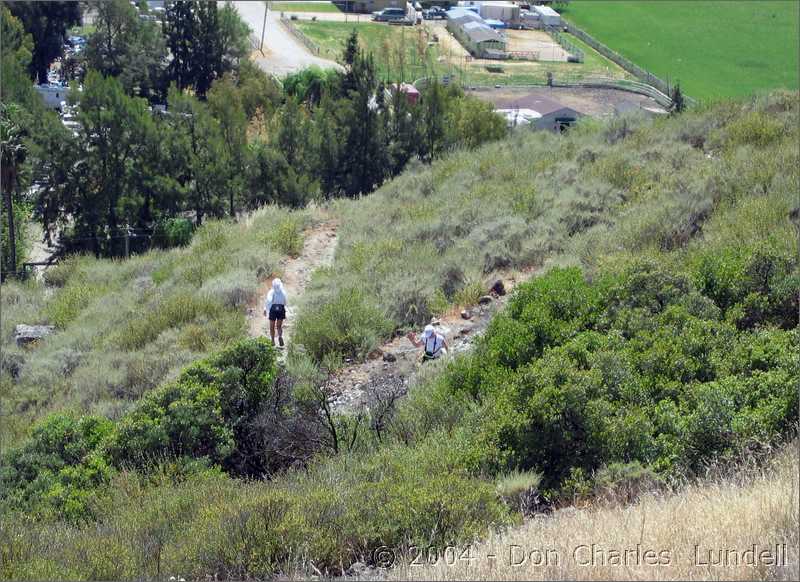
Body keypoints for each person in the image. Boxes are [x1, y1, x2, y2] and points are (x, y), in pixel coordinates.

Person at [264, 278, 287, 347]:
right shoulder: (283, 292)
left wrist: (265, 309)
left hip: (273, 309)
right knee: (279, 326)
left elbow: (268, 301)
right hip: (281, 309)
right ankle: (280, 336)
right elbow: (285, 302)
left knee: (272, 326)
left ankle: (273, 341)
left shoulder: (271, 292)